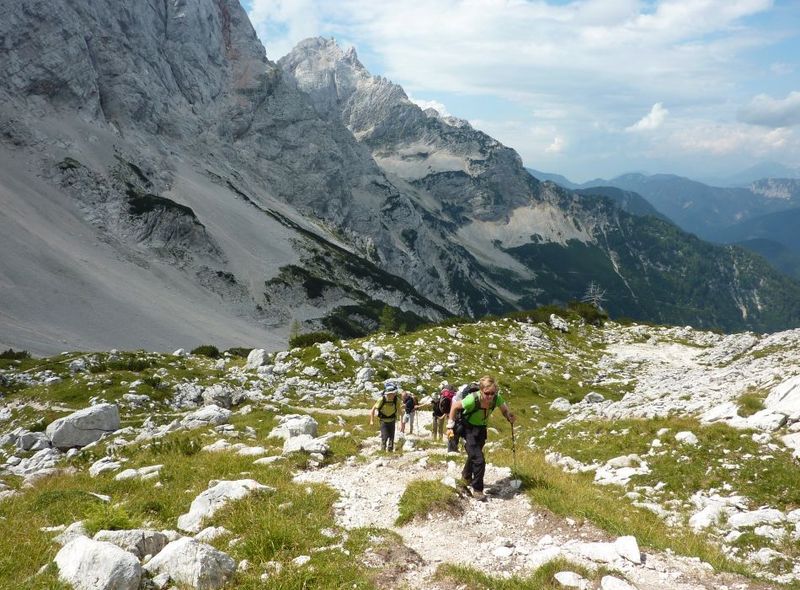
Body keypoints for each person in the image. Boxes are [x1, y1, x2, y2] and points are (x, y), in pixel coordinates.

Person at [446, 375, 515, 501]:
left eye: (492, 393)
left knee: (474, 455)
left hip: (481, 429)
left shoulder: (496, 398)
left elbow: (504, 410)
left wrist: (508, 415)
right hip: (468, 429)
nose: (490, 396)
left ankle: (466, 477)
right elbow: (455, 406)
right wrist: (450, 426)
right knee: (479, 459)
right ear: (481, 390)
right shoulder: (472, 399)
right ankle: (477, 489)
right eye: (487, 393)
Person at [370, 382, 400, 452]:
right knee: (384, 436)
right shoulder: (381, 399)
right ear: (387, 393)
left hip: (392, 420)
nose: (392, 395)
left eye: (393, 394)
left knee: (392, 437)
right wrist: (371, 420)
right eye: (390, 394)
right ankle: (383, 450)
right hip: (383, 421)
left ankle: (390, 450)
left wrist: (401, 422)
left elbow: (400, 411)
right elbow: (373, 409)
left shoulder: (396, 400)